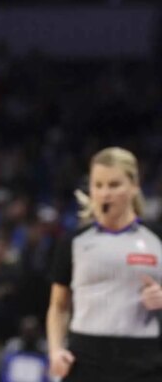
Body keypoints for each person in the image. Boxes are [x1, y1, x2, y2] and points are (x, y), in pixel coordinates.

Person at [47, 147, 162, 382]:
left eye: (114, 185)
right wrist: (56, 350)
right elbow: (58, 306)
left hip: (145, 361)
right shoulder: (74, 241)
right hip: (86, 359)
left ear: (134, 186)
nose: (104, 193)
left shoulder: (156, 238)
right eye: (98, 185)